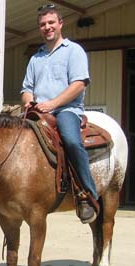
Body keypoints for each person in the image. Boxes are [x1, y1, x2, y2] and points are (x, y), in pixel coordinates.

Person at [21, 4, 98, 223]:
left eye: (51, 23)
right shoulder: (35, 58)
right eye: (43, 24)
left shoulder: (73, 51)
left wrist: (52, 103)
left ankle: (87, 194)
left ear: (60, 24)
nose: (47, 27)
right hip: (39, 112)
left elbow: (79, 84)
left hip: (66, 110)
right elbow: (26, 89)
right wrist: (30, 102)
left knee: (72, 142)